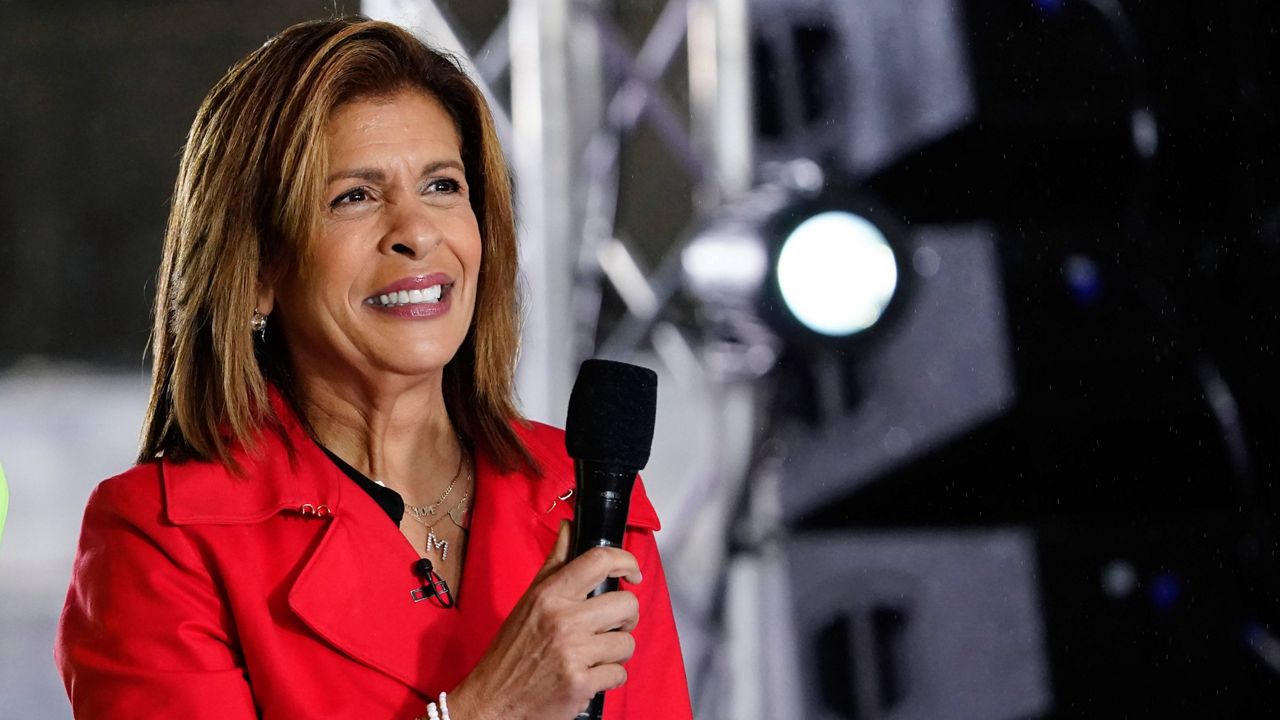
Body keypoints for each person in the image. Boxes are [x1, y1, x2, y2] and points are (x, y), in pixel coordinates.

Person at [55, 16, 692, 720]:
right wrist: (487, 711)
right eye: (354, 197)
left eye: (443, 186)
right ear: (259, 270)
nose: (418, 233)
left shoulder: (582, 497)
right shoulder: (164, 539)